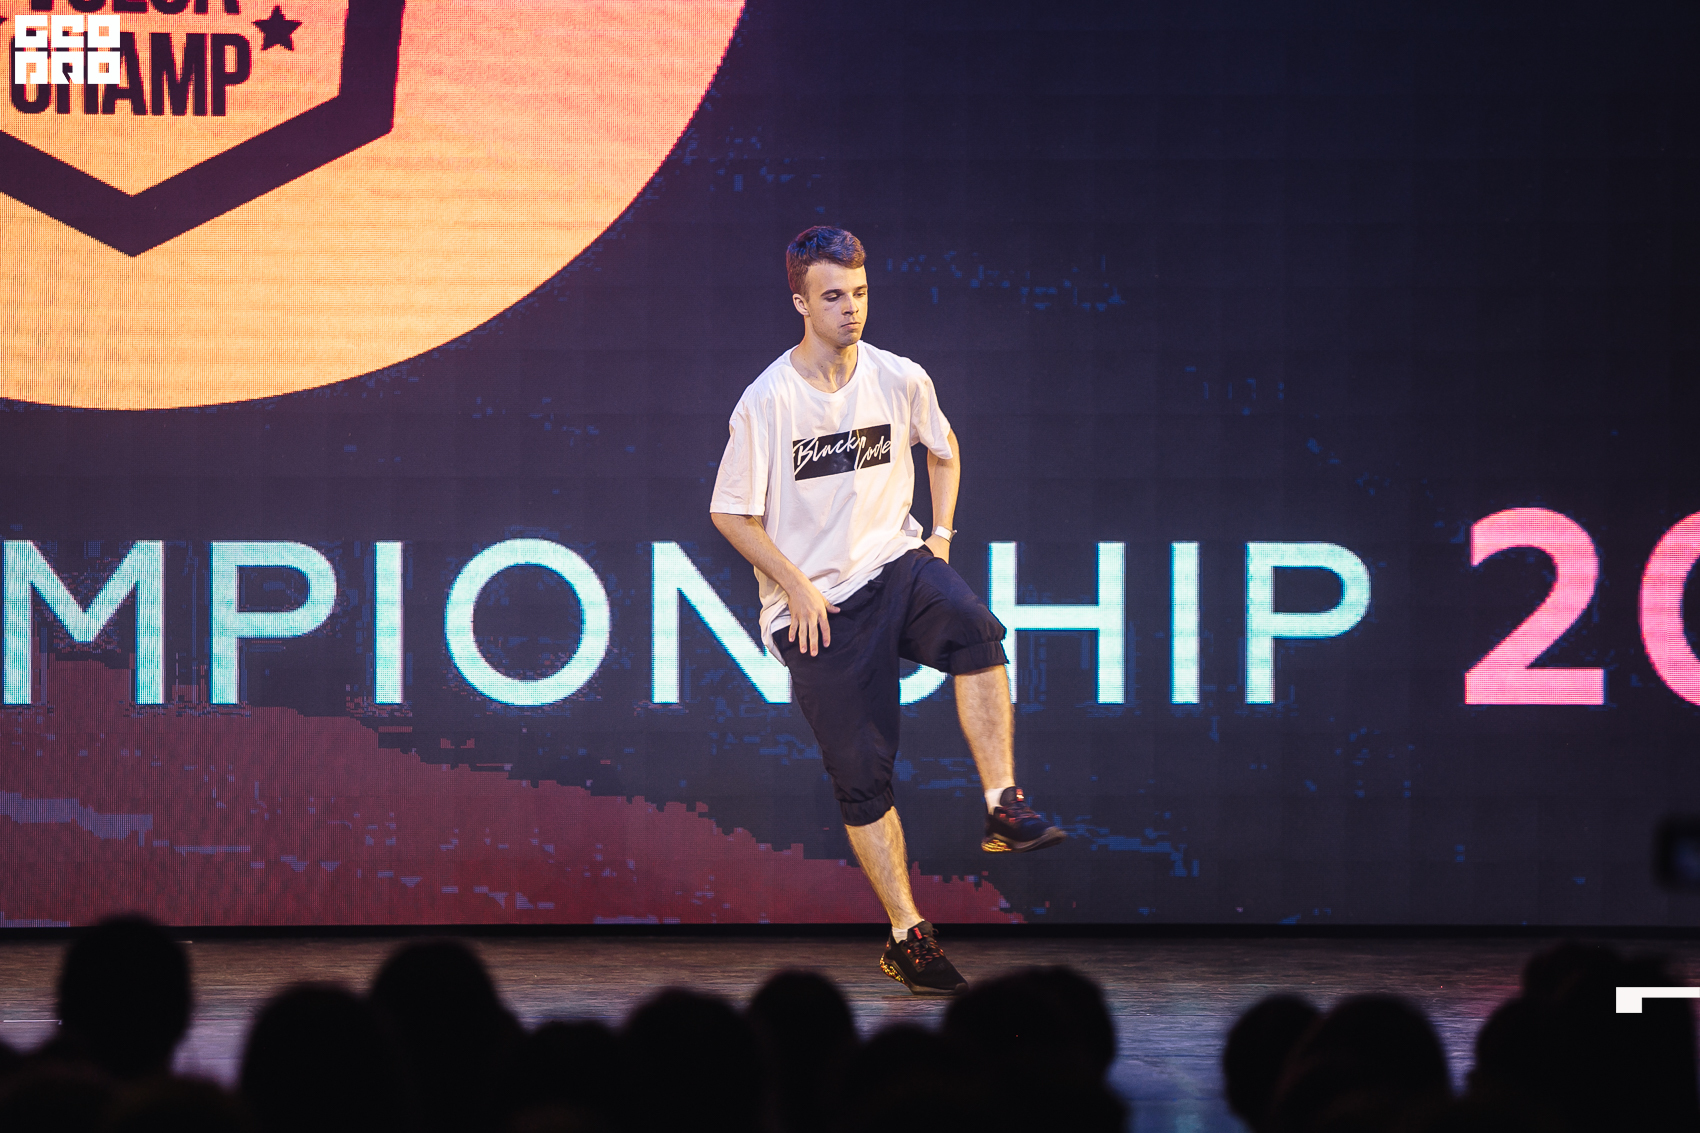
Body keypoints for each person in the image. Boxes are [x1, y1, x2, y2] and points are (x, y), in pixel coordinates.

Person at [709, 225, 1065, 995]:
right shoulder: (768, 401)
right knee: (863, 776)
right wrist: (795, 584)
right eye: (834, 295)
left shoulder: (900, 377)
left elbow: (944, 447)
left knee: (975, 627)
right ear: (801, 303)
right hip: (817, 609)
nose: (852, 308)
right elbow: (730, 512)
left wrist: (940, 534)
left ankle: (1003, 804)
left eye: (861, 293)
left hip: (895, 563)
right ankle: (909, 934)